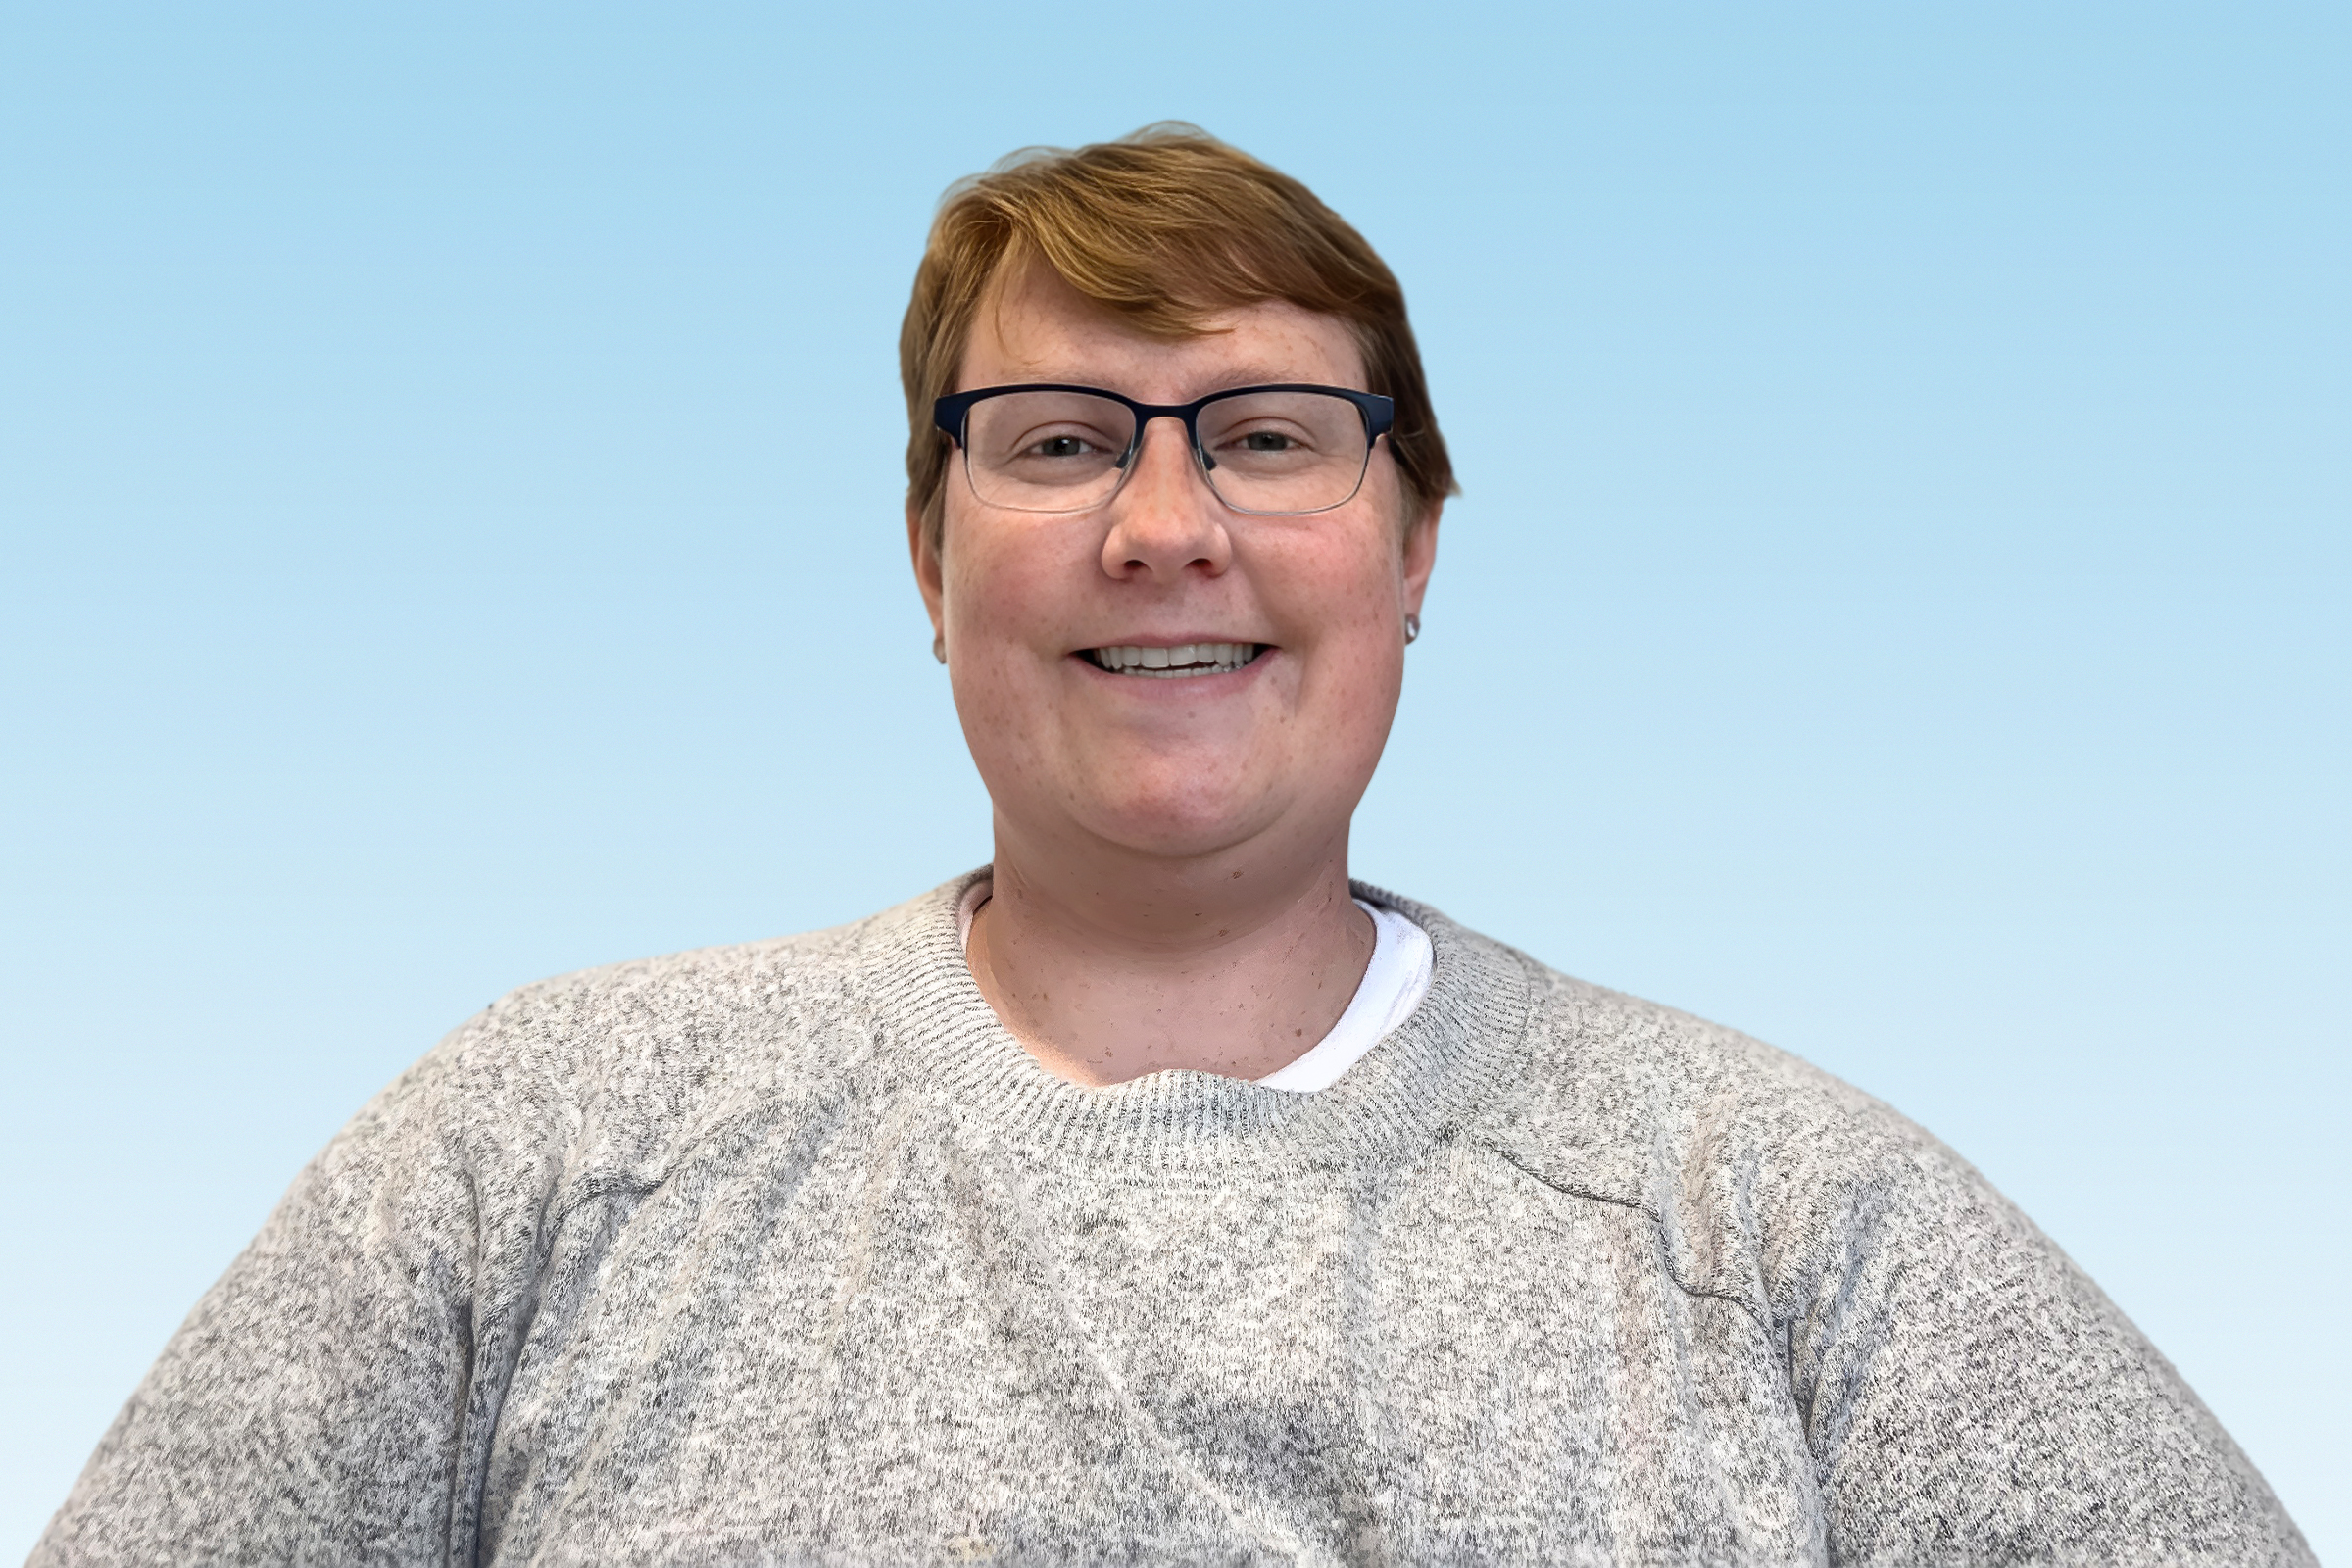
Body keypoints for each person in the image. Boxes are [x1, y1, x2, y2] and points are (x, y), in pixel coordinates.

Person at [34, 125, 2311, 1567]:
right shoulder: (547, 1143)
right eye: (1054, 442)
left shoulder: (1784, 1222)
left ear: (1415, 549)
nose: (1161, 524)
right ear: (926, 557)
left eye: (1269, 435)